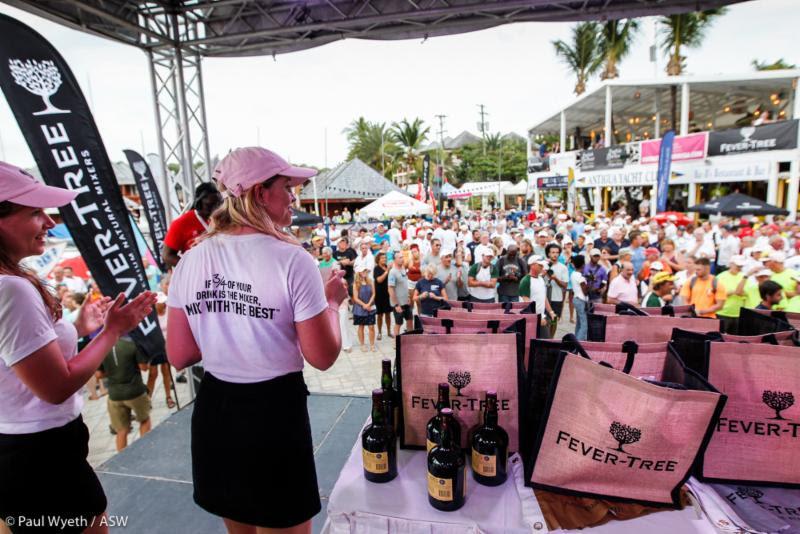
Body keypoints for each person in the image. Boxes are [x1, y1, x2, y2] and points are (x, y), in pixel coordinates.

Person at [166, 147, 349, 533]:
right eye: (287, 187)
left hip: (217, 406)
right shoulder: (291, 257)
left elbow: (180, 353)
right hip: (273, 411)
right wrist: (331, 303)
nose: (294, 197)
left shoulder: (192, 259)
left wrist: (224, 329)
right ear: (260, 193)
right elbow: (322, 356)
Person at [0, 161, 156, 533]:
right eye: (35, 212)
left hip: (20, 452)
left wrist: (77, 327)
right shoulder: (13, 288)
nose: (50, 223)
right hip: (42, 456)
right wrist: (110, 332)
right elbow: (55, 386)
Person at [96, 337, 152, 451]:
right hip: (135, 392)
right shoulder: (130, 344)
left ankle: (122, 461)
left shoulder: (102, 349)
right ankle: (146, 451)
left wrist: (113, 373)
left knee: (121, 430)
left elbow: (98, 375)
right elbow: (144, 368)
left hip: (115, 395)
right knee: (145, 420)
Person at [162, 182, 222, 268]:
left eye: (217, 205)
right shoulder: (181, 223)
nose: (214, 209)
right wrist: (193, 267)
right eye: (209, 205)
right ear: (198, 202)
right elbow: (167, 256)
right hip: (198, 274)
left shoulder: (221, 219)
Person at [519, 256, 556, 338]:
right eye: (540, 265)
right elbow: (527, 303)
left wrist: (551, 312)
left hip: (541, 317)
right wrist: (537, 318)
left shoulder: (541, 279)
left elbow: (544, 297)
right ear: (532, 265)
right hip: (530, 319)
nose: (542, 267)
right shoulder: (525, 281)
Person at [715, 255, 748, 334]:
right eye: (738, 266)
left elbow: (745, 292)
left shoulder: (743, 277)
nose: (739, 268)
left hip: (738, 314)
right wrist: (734, 292)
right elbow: (716, 294)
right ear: (731, 264)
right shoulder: (721, 277)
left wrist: (733, 292)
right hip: (723, 313)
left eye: (741, 266)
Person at [544, 243, 569, 335]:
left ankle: (551, 339)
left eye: (557, 252)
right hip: (544, 298)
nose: (555, 254)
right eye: (553, 252)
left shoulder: (563, 268)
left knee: (554, 320)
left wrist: (555, 278)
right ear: (548, 254)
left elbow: (565, 285)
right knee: (544, 320)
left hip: (556, 298)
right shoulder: (543, 265)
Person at [353, 265, 377, 352]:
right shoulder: (356, 283)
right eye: (363, 271)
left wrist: (369, 304)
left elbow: (374, 294)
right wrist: (364, 305)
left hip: (370, 307)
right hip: (360, 308)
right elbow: (355, 298)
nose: (365, 273)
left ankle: (372, 344)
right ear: (359, 272)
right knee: (361, 326)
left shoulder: (370, 281)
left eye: (366, 271)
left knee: (371, 327)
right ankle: (362, 345)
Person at [388, 255, 413, 337]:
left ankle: (410, 340)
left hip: (406, 301)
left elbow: (405, 284)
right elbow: (390, 289)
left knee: (410, 320)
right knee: (398, 323)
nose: (402, 259)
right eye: (400, 257)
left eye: (402, 257)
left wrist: (408, 296)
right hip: (398, 304)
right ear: (394, 260)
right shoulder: (392, 272)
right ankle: (396, 342)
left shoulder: (403, 269)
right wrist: (396, 304)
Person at [373, 252, 393, 340]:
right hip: (379, 294)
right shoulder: (376, 268)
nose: (384, 259)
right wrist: (387, 271)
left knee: (388, 314)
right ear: (378, 259)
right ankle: (380, 332)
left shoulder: (387, 267)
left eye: (385, 258)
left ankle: (389, 331)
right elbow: (379, 280)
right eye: (382, 258)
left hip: (388, 293)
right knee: (380, 314)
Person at [569, 255, 590, 340]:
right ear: (583, 265)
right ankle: (579, 344)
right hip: (581, 301)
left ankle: (576, 341)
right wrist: (590, 284)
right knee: (584, 325)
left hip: (576, 299)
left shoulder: (574, 274)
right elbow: (585, 292)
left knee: (579, 323)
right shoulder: (580, 276)